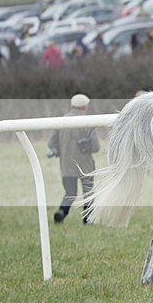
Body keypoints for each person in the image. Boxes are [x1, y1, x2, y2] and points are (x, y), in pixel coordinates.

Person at [47, 94, 100, 224]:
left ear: (72, 106)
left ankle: (61, 212)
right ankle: (87, 219)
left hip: (66, 165)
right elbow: (96, 147)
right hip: (85, 166)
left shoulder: (61, 122)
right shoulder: (88, 122)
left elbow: (51, 143)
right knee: (88, 193)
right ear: (85, 106)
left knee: (70, 193)